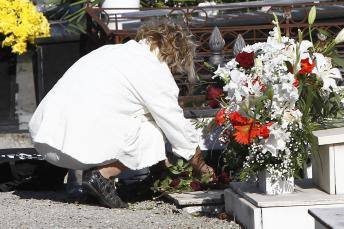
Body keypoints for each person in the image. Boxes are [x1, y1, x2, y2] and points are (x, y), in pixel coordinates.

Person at [29, 20, 214, 208]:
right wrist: (201, 167)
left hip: (45, 139)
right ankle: (101, 177)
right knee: (153, 131)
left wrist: (161, 167)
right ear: (178, 53)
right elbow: (177, 128)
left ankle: (71, 176)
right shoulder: (154, 70)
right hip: (73, 147)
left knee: (128, 113)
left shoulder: (111, 51)